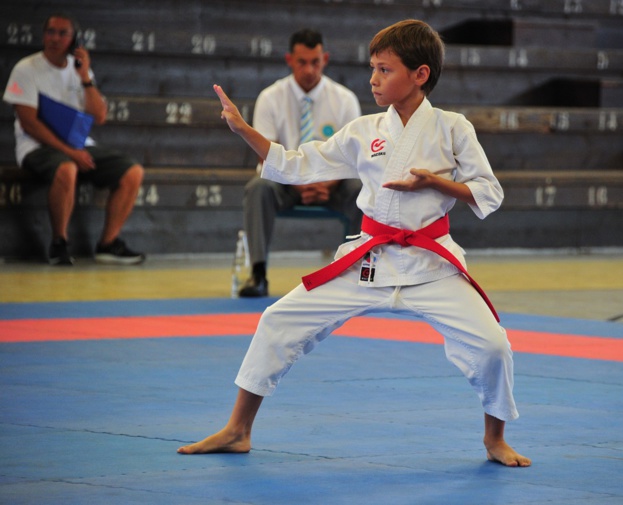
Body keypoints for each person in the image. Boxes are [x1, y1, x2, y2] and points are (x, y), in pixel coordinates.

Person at [178, 19, 530, 467]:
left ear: (420, 74)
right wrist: (245, 130)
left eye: (385, 70)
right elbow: (297, 163)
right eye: (372, 69)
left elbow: (489, 192)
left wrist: (436, 183)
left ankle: (494, 439)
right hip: (370, 259)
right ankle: (237, 430)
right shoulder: (364, 130)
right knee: (277, 319)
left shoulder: (452, 128)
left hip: (430, 265)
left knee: (493, 345)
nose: (373, 79)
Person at [3, 12, 145, 266]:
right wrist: (70, 153)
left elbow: (100, 115)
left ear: (74, 39)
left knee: (132, 172)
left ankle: (108, 244)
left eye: (62, 33)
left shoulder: (79, 71)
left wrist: (85, 78)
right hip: (36, 147)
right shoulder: (26, 69)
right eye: (50, 32)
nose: (55, 38)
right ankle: (59, 243)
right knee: (67, 168)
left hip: (79, 145)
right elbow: (28, 123)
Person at [239, 28, 362, 297]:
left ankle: (353, 272)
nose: (309, 69)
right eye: (302, 62)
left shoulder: (344, 100)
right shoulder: (270, 97)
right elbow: (264, 154)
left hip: (332, 182)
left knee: (362, 189)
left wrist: (326, 185)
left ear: (325, 59)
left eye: (315, 62)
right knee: (257, 188)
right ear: (289, 60)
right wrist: (299, 184)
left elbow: (352, 156)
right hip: (285, 183)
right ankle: (258, 274)